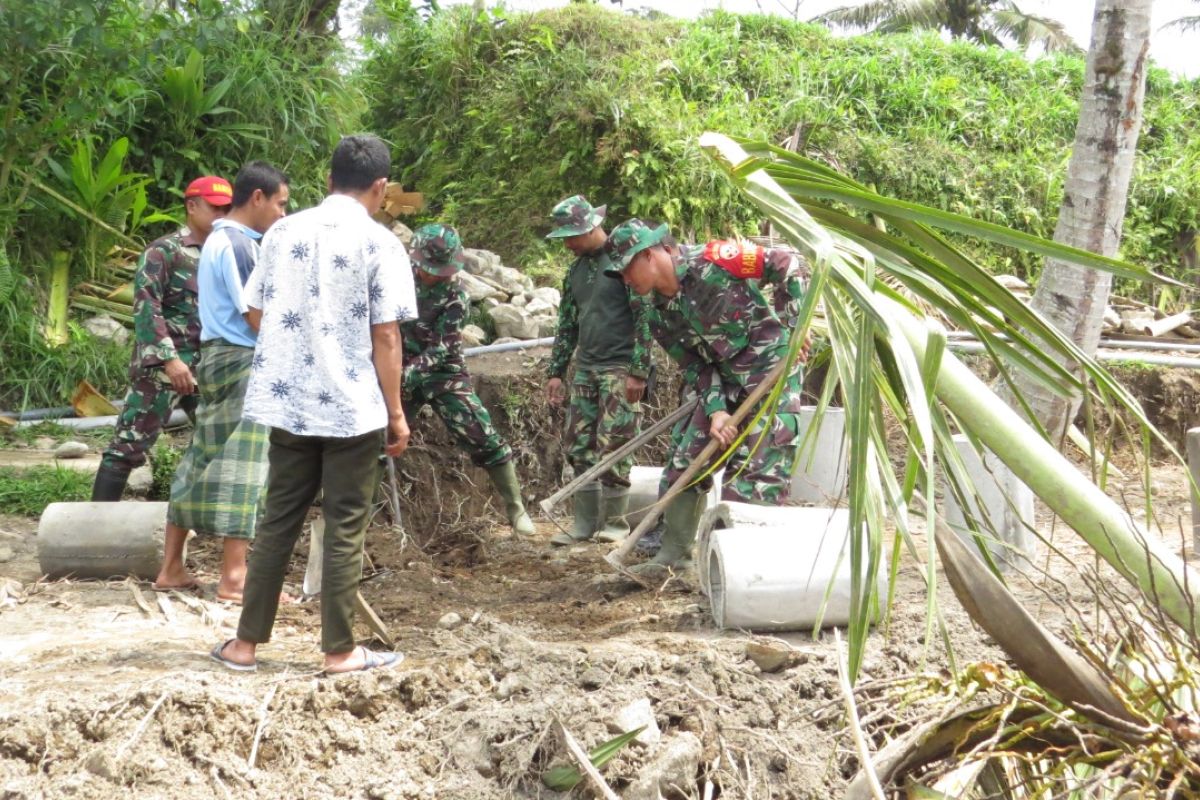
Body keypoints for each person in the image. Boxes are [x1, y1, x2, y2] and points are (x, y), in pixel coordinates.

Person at [211, 134, 417, 674]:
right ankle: (340, 651)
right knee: (346, 524)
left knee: (278, 519)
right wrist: (395, 412)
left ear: (328, 180)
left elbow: (253, 310)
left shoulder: (283, 231)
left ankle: (245, 646)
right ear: (379, 187)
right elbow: (387, 336)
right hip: (353, 409)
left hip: (291, 405)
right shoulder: (381, 244)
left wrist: (295, 352)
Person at [604, 219, 808, 578]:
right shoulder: (657, 316)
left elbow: (786, 263)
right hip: (725, 384)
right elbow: (696, 367)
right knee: (686, 466)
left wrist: (795, 328)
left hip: (772, 371)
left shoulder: (717, 259)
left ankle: (746, 571)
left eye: (626, 269)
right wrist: (715, 411)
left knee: (755, 476)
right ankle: (674, 556)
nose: (625, 280)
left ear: (650, 255)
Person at [154, 162, 290, 596]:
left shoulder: (219, 240)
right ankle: (234, 577)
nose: (283, 215)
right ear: (257, 198)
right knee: (245, 464)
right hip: (243, 361)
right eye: (281, 204)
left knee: (202, 457)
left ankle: (171, 567)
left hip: (217, 356)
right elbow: (255, 316)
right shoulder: (236, 244)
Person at [91, 176, 232, 503]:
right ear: (192, 206)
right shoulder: (164, 251)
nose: (221, 214)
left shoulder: (220, 253)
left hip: (204, 367)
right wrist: (169, 360)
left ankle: (203, 520)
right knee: (129, 445)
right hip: (163, 369)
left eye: (227, 208)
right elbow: (146, 307)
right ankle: (94, 523)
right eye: (215, 207)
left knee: (218, 443)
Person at [402, 223, 535, 534]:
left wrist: (407, 375)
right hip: (399, 369)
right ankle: (363, 514)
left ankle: (516, 510)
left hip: (444, 373)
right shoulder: (397, 280)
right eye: (432, 268)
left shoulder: (456, 295)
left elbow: (442, 346)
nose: (438, 275)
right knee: (376, 441)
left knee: (483, 436)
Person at [543, 195, 652, 547]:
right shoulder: (575, 272)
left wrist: (639, 370)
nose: (568, 244)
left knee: (615, 444)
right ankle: (584, 523)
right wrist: (557, 371)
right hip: (586, 369)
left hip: (619, 368)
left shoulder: (622, 262)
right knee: (579, 445)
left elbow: (644, 317)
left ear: (591, 227)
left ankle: (616, 524)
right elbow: (566, 324)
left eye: (571, 236)